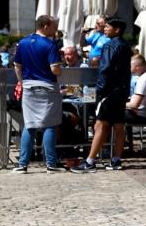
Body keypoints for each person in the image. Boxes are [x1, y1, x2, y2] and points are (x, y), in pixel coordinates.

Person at [72, 17, 133, 173]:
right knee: (119, 126)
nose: (105, 29)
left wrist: (100, 90)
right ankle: (116, 160)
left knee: (100, 125)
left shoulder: (109, 45)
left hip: (108, 91)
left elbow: (105, 69)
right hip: (122, 90)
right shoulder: (126, 46)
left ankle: (90, 161)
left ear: (117, 30)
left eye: (108, 27)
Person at [12, 15, 65, 173]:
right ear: (46, 26)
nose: (56, 30)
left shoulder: (23, 42)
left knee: (30, 125)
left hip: (29, 87)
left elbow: (17, 66)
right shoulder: (50, 44)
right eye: (54, 26)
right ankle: (51, 164)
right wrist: (61, 70)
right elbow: (55, 69)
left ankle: (22, 164)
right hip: (47, 88)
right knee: (49, 125)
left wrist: (22, 82)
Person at [125, 55, 146, 123]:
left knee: (109, 114)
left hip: (140, 116)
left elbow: (135, 105)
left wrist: (119, 104)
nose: (128, 68)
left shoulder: (143, 80)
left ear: (137, 67)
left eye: (130, 66)